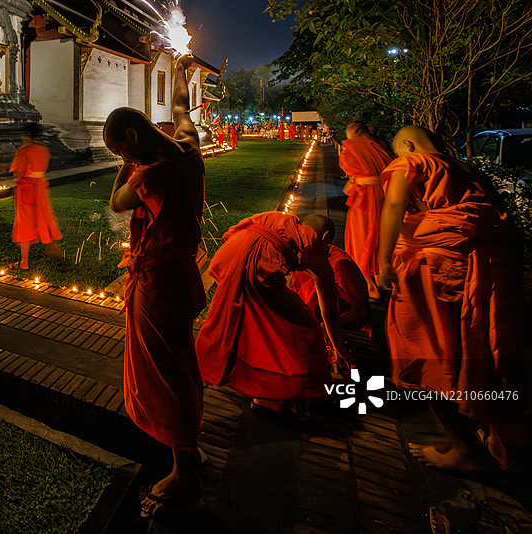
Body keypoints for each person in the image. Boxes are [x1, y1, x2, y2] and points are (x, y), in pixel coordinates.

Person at [378, 125, 525, 472]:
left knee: (428, 351)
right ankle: (487, 432)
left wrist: (383, 261)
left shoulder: (412, 163)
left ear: (408, 146)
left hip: (437, 266)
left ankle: (462, 447)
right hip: (483, 267)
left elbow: (394, 203)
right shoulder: (467, 169)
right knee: (472, 346)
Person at [104, 54, 207, 517]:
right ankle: (189, 451)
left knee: (166, 376)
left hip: (159, 285)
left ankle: (185, 475)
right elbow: (182, 109)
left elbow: (117, 202)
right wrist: (182, 71)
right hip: (183, 275)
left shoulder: (151, 175)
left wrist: (126, 166)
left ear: (131, 138)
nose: (122, 160)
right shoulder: (188, 148)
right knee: (182, 365)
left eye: (120, 151)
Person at [195, 212, 353, 416]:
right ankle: (280, 396)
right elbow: (328, 308)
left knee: (256, 326)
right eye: (328, 245)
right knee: (304, 331)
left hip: (231, 255)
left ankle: (264, 392)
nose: (328, 251)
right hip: (257, 266)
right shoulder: (312, 243)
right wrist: (339, 349)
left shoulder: (281, 221)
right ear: (324, 237)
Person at [338, 121, 394, 300]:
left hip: (364, 197)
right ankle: (382, 277)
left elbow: (347, 167)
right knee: (382, 233)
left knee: (361, 236)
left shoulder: (353, 147)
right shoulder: (382, 145)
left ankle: (369, 284)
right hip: (386, 192)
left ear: (354, 132)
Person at [291, 215, 369, 330]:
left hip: (330, 328)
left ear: (325, 238)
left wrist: (326, 326)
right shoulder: (301, 259)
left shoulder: (340, 264)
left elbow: (360, 311)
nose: (303, 242)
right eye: (301, 236)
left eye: (309, 237)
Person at [9, 122, 62, 270]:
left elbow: (19, 173)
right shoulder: (43, 150)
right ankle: (55, 249)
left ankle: (24, 262)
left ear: (28, 135)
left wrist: (16, 187)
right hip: (40, 188)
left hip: (26, 190)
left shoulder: (23, 151)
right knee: (44, 218)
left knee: (24, 225)